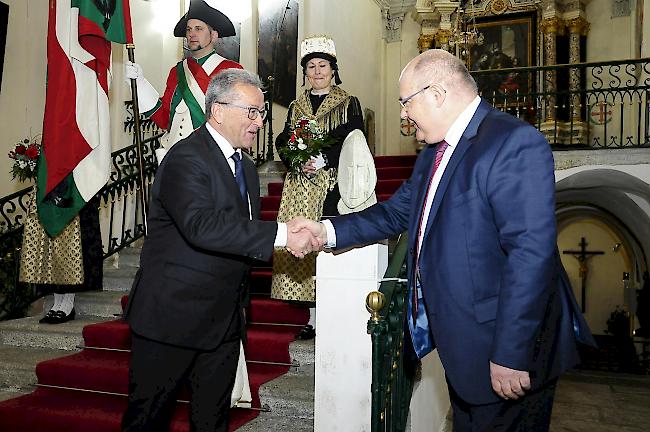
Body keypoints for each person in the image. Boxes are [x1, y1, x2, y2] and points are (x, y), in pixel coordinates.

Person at [293, 49, 595, 431]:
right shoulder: (435, 153)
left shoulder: (513, 142)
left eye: (406, 102)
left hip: (504, 352)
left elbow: (530, 254)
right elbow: (394, 213)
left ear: (436, 94)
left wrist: (511, 353)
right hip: (467, 351)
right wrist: (326, 231)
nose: (403, 114)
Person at [120, 69, 318, 432]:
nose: (259, 123)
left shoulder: (243, 164)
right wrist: (280, 234)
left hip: (223, 321)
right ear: (219, 110)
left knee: (212, 421)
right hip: (172, 318)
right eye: (252, 112)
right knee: (148, 420)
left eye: (261, 113)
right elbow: (202, 226)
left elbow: (237, 232)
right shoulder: (186, 158)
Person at [271, 36, 364, 340]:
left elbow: (354, 140)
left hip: (332, 185)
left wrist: (324, 158)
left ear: (333, 69)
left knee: (324, 246)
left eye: (322, 65)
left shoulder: (348, 102)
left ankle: (330, 312)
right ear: (305, 72)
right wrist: (294, 160)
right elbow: (282, 140)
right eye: (311, 66)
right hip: (300, 187)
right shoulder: (296, 105)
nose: (317, 71)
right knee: (302, 247)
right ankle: (311, 317)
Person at [125, 0, 242, 161]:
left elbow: (237, 120)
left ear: (213, 35)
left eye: (199, 29)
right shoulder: (177, 71)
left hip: (212, 159)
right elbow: (165, 119)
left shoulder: (231, 70)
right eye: (189, 29)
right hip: (175, 157)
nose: (192, 34)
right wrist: (140, 85)